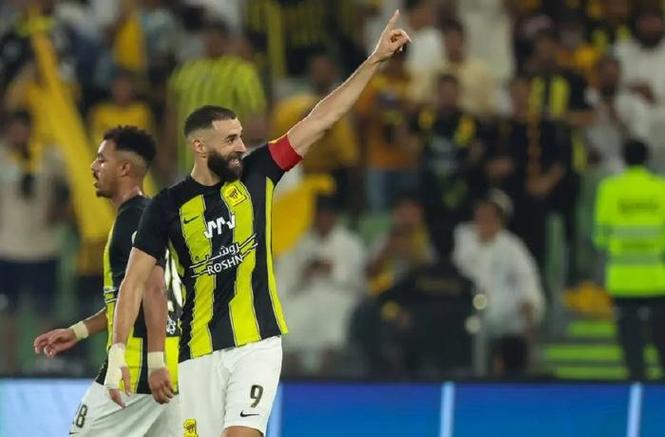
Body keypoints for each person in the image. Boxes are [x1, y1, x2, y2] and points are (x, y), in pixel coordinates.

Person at [105, 11, 410, 437]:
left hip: (257, 344)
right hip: (197, 353)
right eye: (230, 139)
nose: (240, 146)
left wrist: (374, 60)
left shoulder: (259, 171)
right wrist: (117, 353)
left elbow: (322, 118)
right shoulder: (166, 206)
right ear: (199, 146)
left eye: (241, 136)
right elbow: (135, 281)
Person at [33, 126, 181, 435]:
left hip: (138, 367)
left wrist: (154, 363)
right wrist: (78, 331)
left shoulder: (133, 220)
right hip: (169, 365)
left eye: (102, 159)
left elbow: (155, 289)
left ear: (124, 168)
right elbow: (126, 298)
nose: (93, 166)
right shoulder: (148, 216)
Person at [0, 110, 70, 374]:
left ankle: (44, 366)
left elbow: (68, 189)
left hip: (44, 248)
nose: (19, 134)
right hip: (7, 248)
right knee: (9, 313)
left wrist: (59, 212)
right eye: (14, 128)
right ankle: (9, 367)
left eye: (23, 128)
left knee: (45, 312)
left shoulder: (49, 156)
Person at [594, 139, 665, 380]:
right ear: (647, 158)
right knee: (661, 333)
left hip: (622, 278)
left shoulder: (610, 188)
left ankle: (637, 377)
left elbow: (600, 237)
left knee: (630, 335)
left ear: (623, 158)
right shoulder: (660, 188)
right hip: (656, 277)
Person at [453, 190, 545, 376]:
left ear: (501, 219)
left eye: (490, 214)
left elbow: (528, 284)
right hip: (463, 322)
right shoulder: (461, 238)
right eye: (481, 211)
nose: (484, 218)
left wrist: (529, 324)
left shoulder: (512, 247)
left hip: (504, 327)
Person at [277, 195, 366, 376]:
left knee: (334, 318)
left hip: (339, 296)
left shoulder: (350, 243)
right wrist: (304, 273)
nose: (323, 220)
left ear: (335, 217)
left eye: (328, 215)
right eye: (320, 216)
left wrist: (333, 269)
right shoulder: (298, 242)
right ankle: (293, 372)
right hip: (305, 295)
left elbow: (360, 281)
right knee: (291, 314)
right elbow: (283, 282)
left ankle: (326, 373)